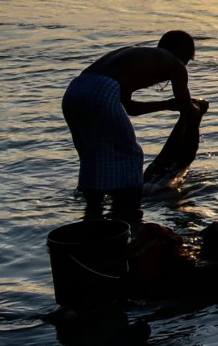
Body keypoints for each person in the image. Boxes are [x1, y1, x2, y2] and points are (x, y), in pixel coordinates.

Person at [61, 32, 205, 223]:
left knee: (91, 154)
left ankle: (92, 212)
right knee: (130, 154)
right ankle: (127, 214)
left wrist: (167, 104)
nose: (186, 64)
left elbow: (130, 108)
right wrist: (199, 108)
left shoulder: (137, 58)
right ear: (181, 51)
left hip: (75, 91)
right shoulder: (174, 63)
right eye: (189, 58)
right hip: (102, 90)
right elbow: (189, 109)